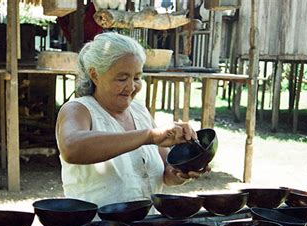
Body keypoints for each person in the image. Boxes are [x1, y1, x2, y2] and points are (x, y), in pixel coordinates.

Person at [55, 32, 210, 207]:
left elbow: (165, 173)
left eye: (137, 78)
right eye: (122, 78)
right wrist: (149, 136)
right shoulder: (79, 109)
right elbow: (71, 148)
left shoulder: (139, 111)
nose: (131, 87)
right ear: (95, 75)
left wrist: (181, 171)